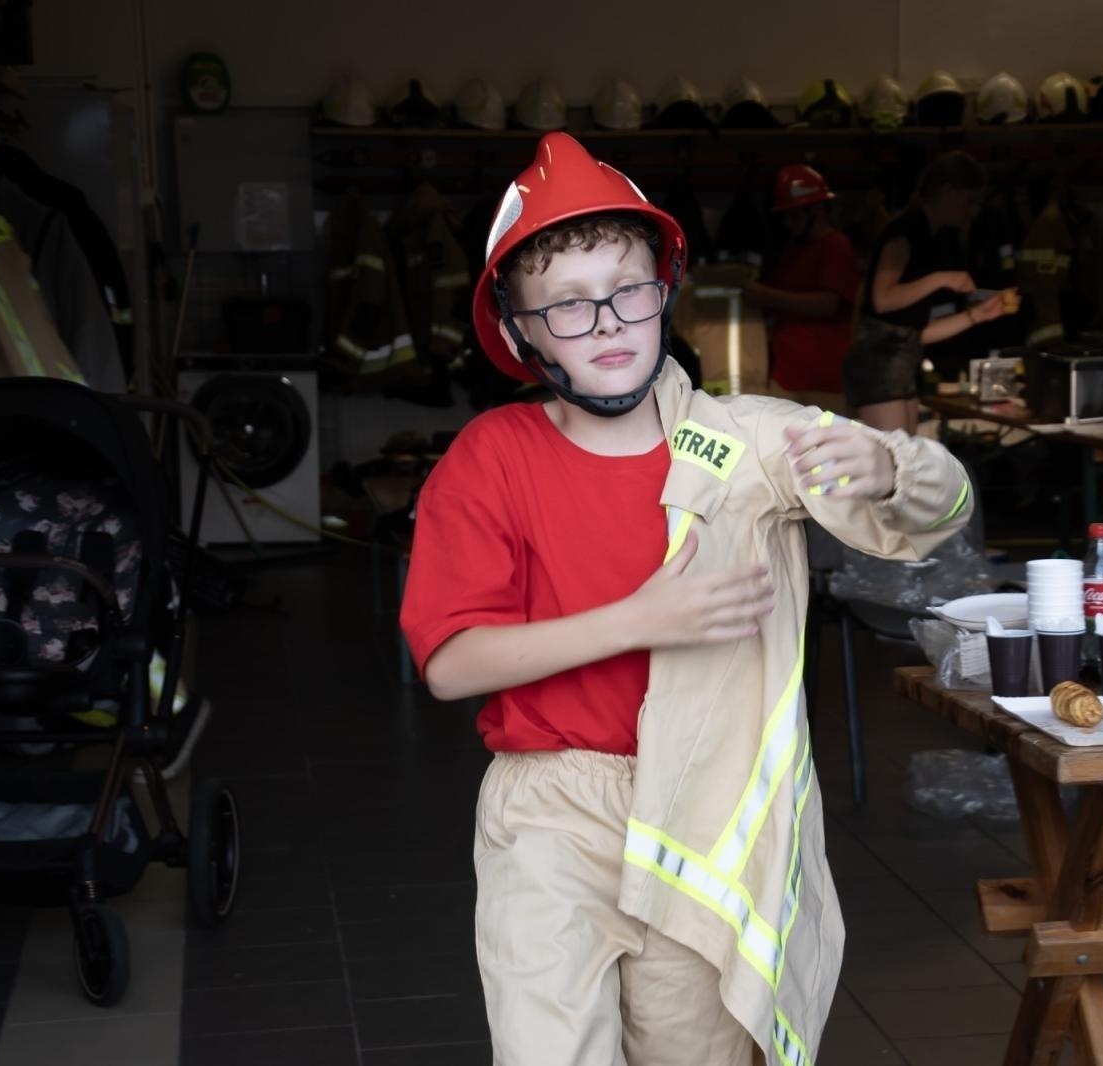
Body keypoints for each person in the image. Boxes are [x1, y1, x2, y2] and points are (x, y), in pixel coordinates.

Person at [400, 133, 977, 1064]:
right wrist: (638, 620)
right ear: (519, 333)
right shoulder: (492, 458)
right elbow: (449, 663)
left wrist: (886, 465)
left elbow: (943, 503)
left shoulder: (742, 440)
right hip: (551, 811)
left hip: (703, 818)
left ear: (664, 289)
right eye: (569, 306)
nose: (609, 323)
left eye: (627, 289)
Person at [845, 151, 1014, 433]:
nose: (973, 211)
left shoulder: (935, 238)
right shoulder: (906, 230)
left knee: (908, 460)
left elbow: (916, 330)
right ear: (947, 191)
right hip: (878, 366)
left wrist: (976, 316)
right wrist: (940, 279)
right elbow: (882, 299)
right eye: (969, 200)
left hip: (902, 366)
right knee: (895, 462)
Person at [744, 164, 862, 412]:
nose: (788, 223)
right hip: (787, 375)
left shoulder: (836, 246)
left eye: (795, 215)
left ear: (816, 210)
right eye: (786, 216)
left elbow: (830, 304)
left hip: (823, 381)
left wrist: (768, 297)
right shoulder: (793, 250)